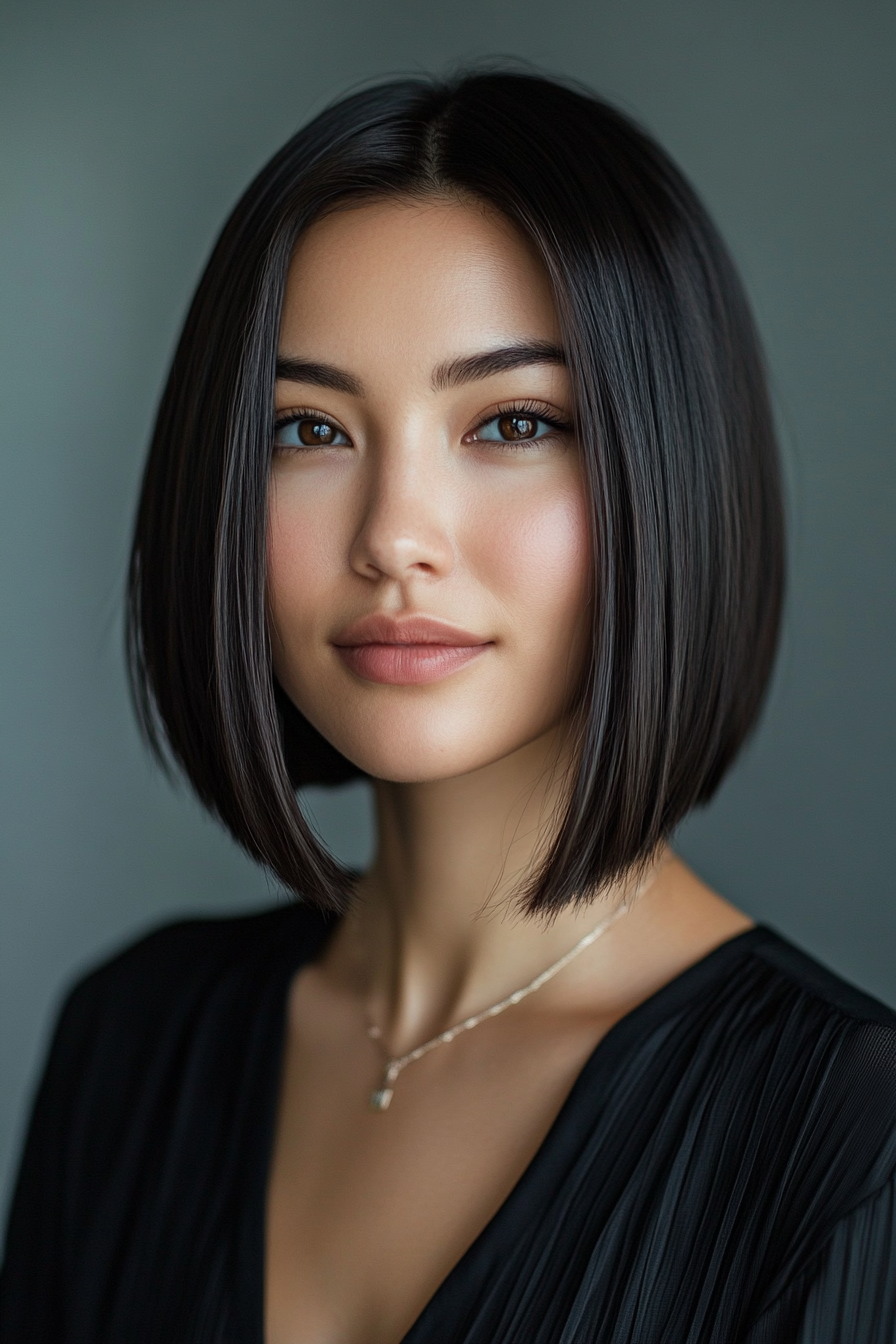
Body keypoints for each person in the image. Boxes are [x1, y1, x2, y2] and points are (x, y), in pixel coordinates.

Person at [1, 68, 894, 1344]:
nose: (395, 538)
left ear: (668, 474)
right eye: (307, 433)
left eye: (514, 420)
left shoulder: (847, 1139)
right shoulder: (135, 1038)